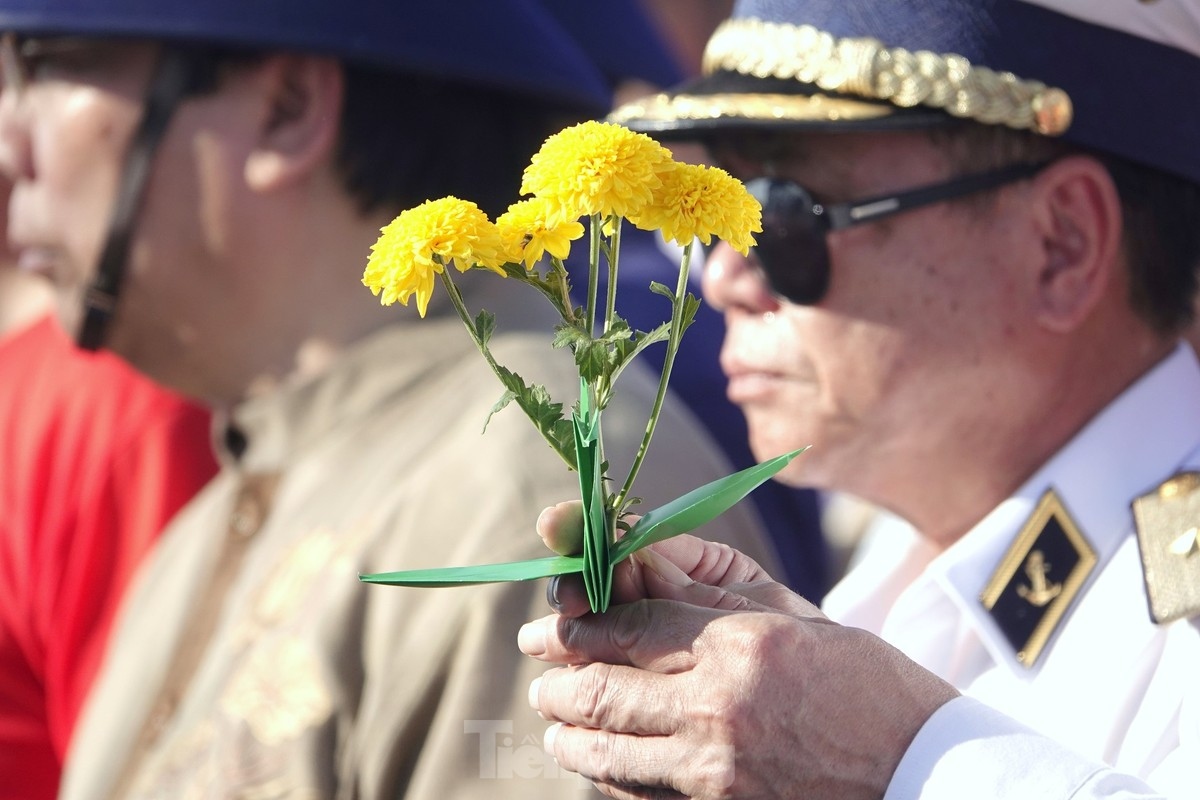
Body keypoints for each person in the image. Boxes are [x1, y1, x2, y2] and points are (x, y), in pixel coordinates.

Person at [0, 1, 778, 798]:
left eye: (51, 64)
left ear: (287, 108)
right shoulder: (227, 508)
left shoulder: (534, 482)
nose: (7, 146)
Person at [519, 0, 1200, 797]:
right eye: (715, 214)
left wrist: (904, 765)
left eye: (783, 214)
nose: (722, 275)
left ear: (1062, 246)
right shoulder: (894, 574)